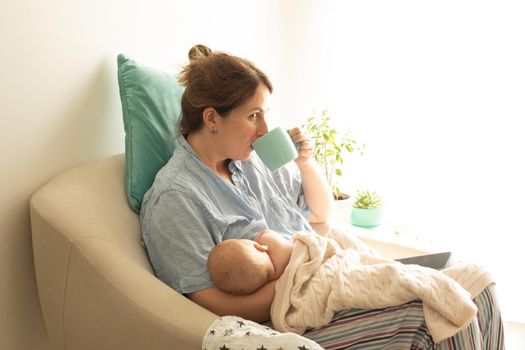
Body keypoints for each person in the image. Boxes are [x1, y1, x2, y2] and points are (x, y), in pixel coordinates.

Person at [140, 44, 505, 349]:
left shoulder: (250, 163)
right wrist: (295, 279)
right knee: (437, 316)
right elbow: (207, 304)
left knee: (480, 286)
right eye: (253, 116)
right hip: (292, 316)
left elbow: (318, 217)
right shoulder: (175, 198)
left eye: (265, 114)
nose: (266, 129)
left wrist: (303, 164)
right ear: (211, 118)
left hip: (336, 274)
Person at [207, 230, 293, 295]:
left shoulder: (275, 285)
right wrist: (261, 236)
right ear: (259, 247)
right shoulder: (271, 242)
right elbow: (267, 232)